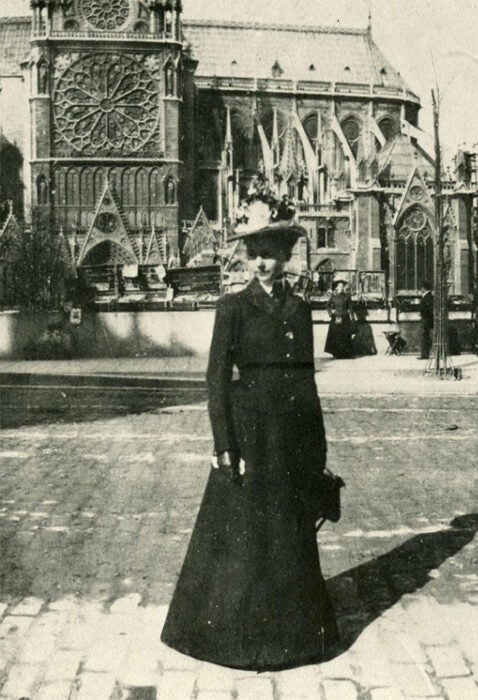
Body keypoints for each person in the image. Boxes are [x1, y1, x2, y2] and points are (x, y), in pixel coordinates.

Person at [161, 192, 339, 671]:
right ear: (245, 257)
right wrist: (224, 445)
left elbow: (306, 379)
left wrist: (317, 449)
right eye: (255, 253)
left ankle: (293, 638)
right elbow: (216, 378)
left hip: (292, 437)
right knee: (244, 539)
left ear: (286, 256)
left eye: (272, 253)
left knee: (288, 535)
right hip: (251, 434)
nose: (263, 262)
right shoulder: (233, 307)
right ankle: (235, 640)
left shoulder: (300, 310)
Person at [324, 280, 355, 359]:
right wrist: (331, 314)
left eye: (342, 286)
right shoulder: (333, 297)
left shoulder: (347, 296)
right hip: (336, 318)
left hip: (345, 318)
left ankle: (345, 354)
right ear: (337, 288)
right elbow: (327, 305)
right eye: (339, 286)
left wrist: (352, 319)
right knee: (336, 336)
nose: (341, 288)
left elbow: (350, 308)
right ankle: (336, 353)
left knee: (345, 336)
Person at [419, 280, 434, 359]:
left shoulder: (427, 296)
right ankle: (424, 354)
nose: (421, 290)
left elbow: (428, 309)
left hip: (426, 320)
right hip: (426, 319)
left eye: (421, 288)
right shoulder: (429, 296)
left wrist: (424, 315)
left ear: (424, 288)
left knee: (425, 337)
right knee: (425, 337)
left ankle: (425, 354)